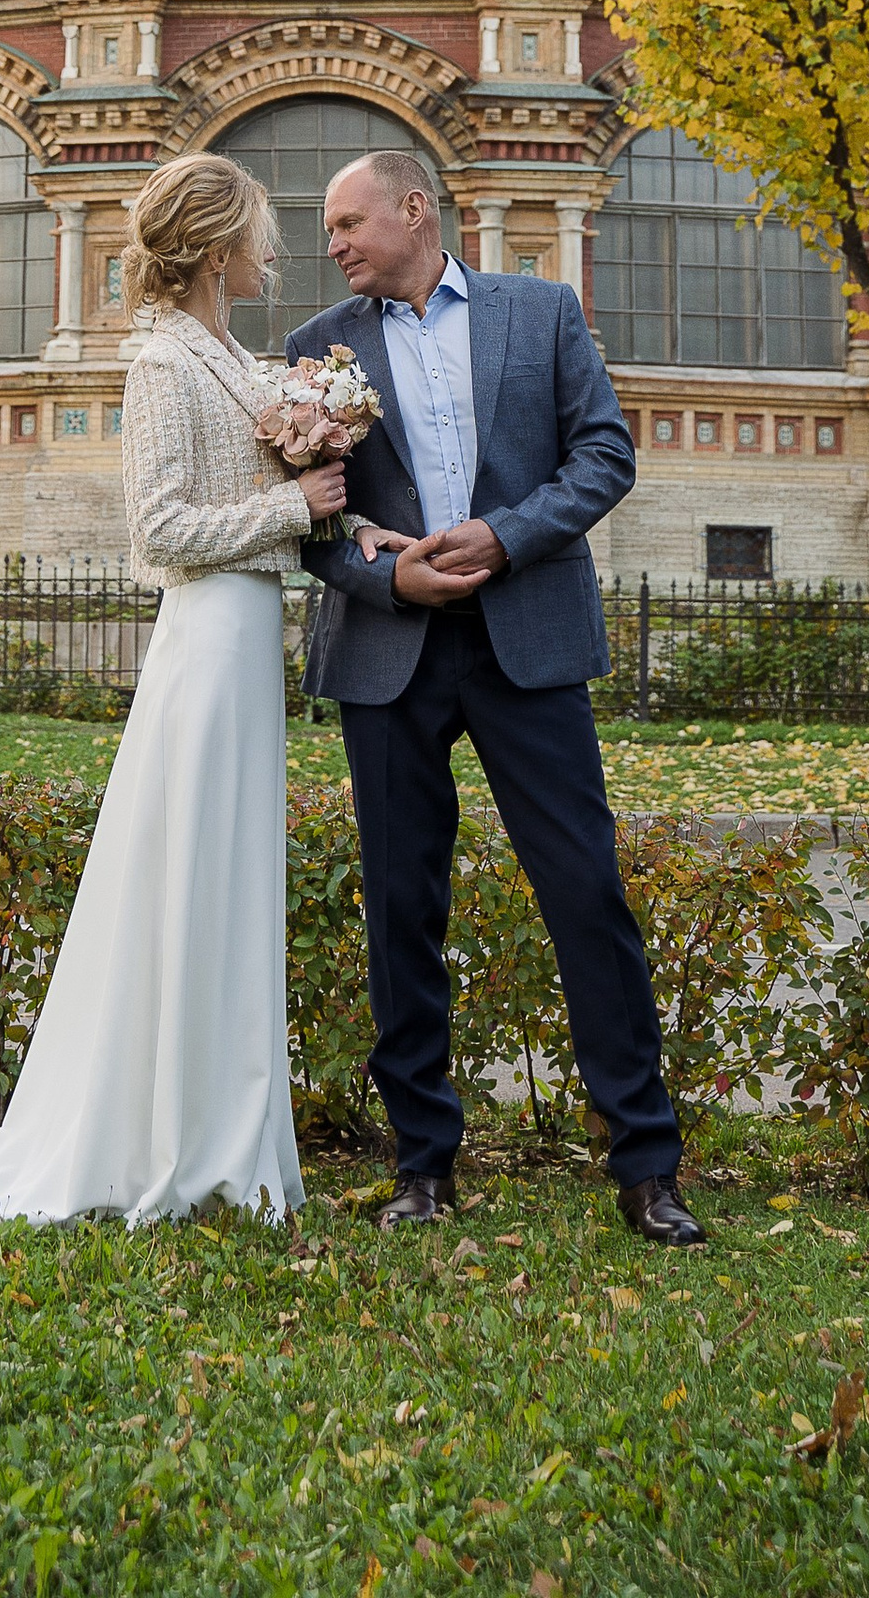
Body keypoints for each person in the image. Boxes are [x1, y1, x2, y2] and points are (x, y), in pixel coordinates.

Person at [0, 148, 338, 1226]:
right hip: (207, 636)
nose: (275, 250)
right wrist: (295, 507)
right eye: (261, 231)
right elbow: (160, 532)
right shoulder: (165, 361)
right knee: (192, 870)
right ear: (220, 244)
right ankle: (177, 1139)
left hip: (246, 637)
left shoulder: (232, 354)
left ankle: (221, 1130)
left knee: (227, 874)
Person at [290, 146, 703, 1247]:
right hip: (390, 657)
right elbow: (312, 527)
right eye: (329, 230)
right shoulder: (313, 350)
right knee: (400, 913)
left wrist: (504, 535)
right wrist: (388, 574)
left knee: (586, 896)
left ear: (414, 210)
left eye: (346, 221)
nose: (330, 244)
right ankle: (422, 1167)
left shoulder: (542, 310)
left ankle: (647, 1167)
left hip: (531, 644)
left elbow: (604, 456)